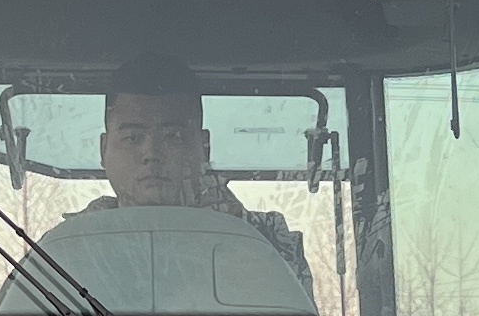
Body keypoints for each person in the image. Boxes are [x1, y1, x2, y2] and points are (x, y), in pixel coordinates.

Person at [86, 55, 315, 296]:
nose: (152, 154)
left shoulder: (265, 239)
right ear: (104, 149)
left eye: (172, 136)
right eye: (133, 138)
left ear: (203, 147)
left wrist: (237, 236)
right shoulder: (69, 244)